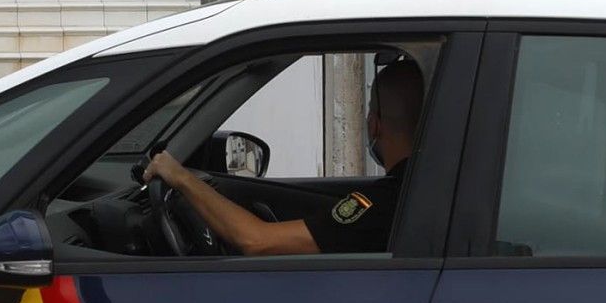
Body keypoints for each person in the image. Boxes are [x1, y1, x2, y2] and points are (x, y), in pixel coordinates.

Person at [144, 54, 423, 256]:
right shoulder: (423, 191)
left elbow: (257, 241)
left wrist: (181, 178)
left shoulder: (386, 203)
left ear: (374, 123)